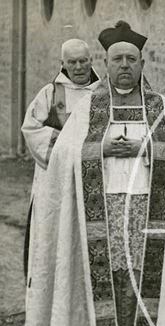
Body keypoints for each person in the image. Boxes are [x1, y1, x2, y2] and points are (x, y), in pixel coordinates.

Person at [23, 21, 165, 326]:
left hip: (145, 205)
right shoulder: (91, 104)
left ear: (142, 63)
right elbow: (62, 153)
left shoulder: (157, 105)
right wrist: (101, 148)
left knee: (140, 277)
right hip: (102, 205)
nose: (124, 65)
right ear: (106, 65)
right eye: (117, 59)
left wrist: (146, 147)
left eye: (131, 59)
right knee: (103, 277)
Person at [21, 39, 101, 281]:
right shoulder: (50, 93)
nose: (78, 67)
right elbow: (32, 129)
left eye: (83, 61)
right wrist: (72, 148)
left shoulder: (103, 94)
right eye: (72, 62)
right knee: (53, 239)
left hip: (93, 182)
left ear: (92, 60)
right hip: (54, 182)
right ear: (62, 63)